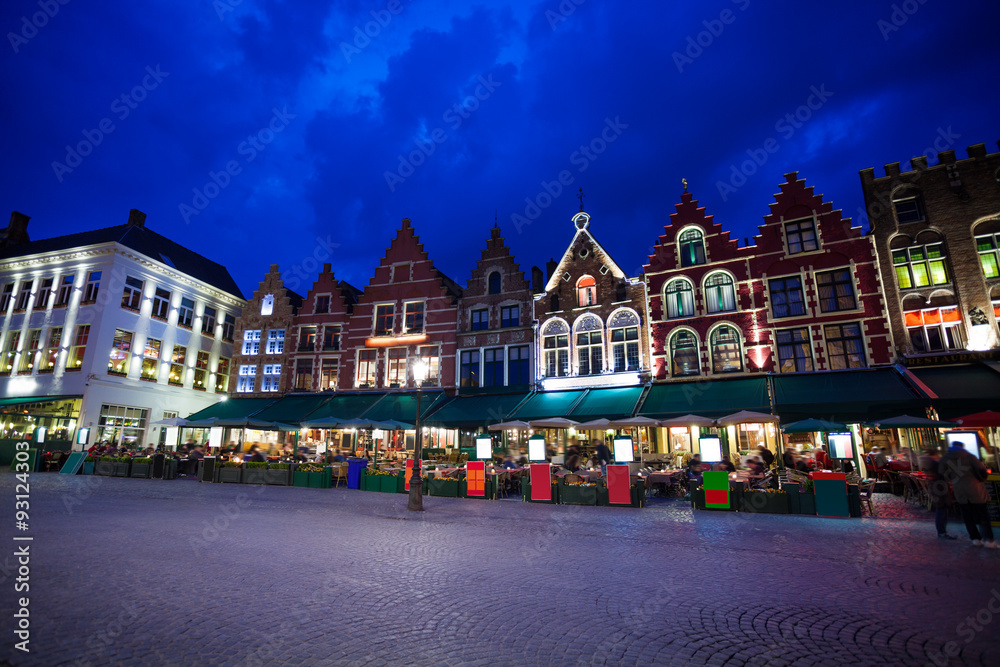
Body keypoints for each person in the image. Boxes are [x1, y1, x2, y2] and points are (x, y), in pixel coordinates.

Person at [940, 440, 997, 547]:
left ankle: (975, 538)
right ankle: (988, 540)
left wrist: (953, 479)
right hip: (975, 489)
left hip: (959, 490)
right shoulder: (969, 456)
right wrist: (981, 479)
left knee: (967, 516)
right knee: (983, 515)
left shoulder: (945, 459)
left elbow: (942, 474)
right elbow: (981, 470)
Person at [919, 447, 957, 540]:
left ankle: (941, 531)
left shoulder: (926, 463)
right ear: (935, 455)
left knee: (940, 509)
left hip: (934, 488)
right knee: (942, 509)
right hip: (940, 489)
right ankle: (942, 531)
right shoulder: (935, 464)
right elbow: (943, 475)